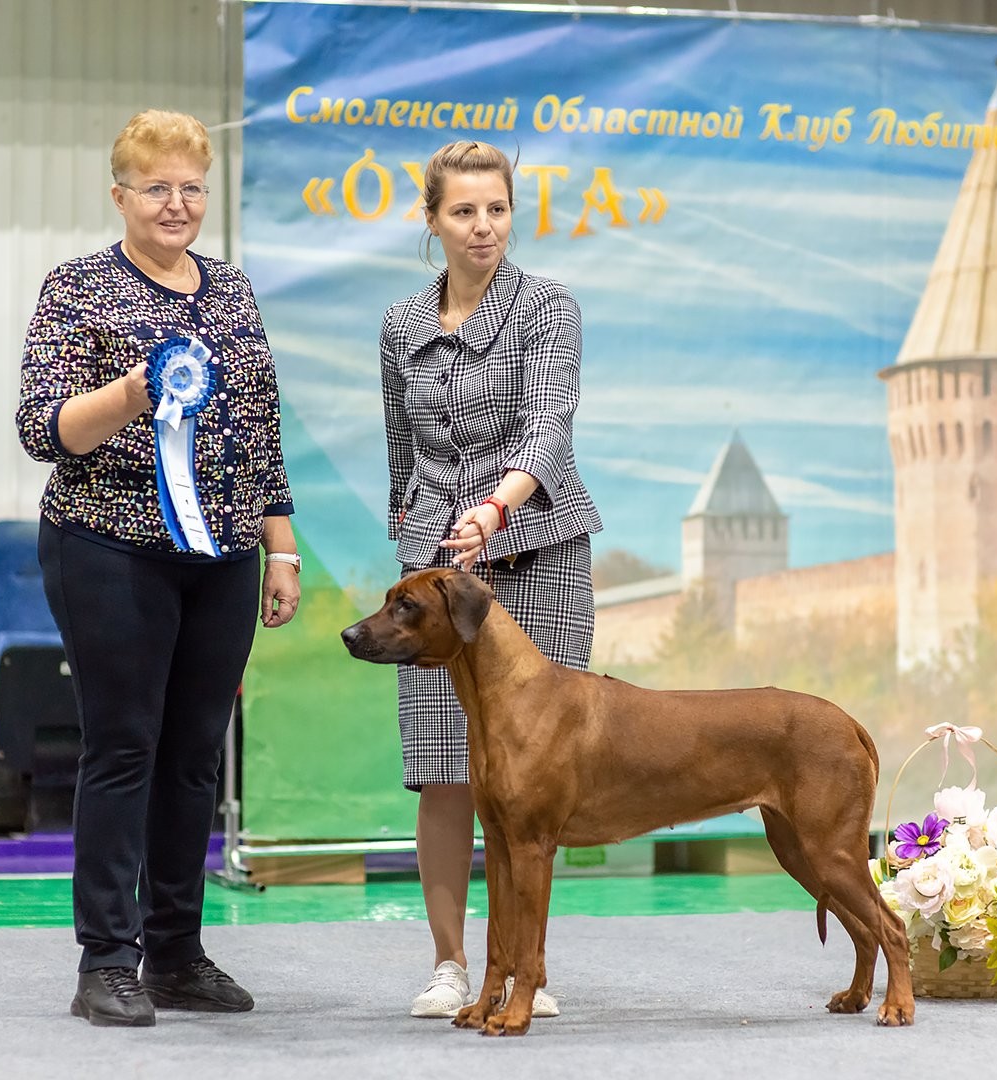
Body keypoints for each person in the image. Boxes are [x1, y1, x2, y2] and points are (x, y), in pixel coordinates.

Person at [16, 109, 300, 1027]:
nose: (176, 204)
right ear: (120, 197)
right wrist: (133, 395)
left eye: (191, 187)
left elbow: (259, 429)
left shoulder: (232, 292)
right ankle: (106, 959)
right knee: (124, 748)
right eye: (156, 187)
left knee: (192, 759)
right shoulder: (79, 289)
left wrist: (280, 546)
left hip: (220, 553)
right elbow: (41, 429)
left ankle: (177, 951)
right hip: (106, 543)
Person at [378, 140, 603, 1019]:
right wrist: (419, 544)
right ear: (432, 221)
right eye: (463, 211)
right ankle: (450, 966)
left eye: (497, 209)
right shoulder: (401, 324)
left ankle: (523, 968)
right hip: (438, 575)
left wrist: (497, 507)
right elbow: (402, 447)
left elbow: (550, 425)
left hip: (536, 557)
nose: (482, 227)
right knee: (446, 771)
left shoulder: (548, 307)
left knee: (534, 782)